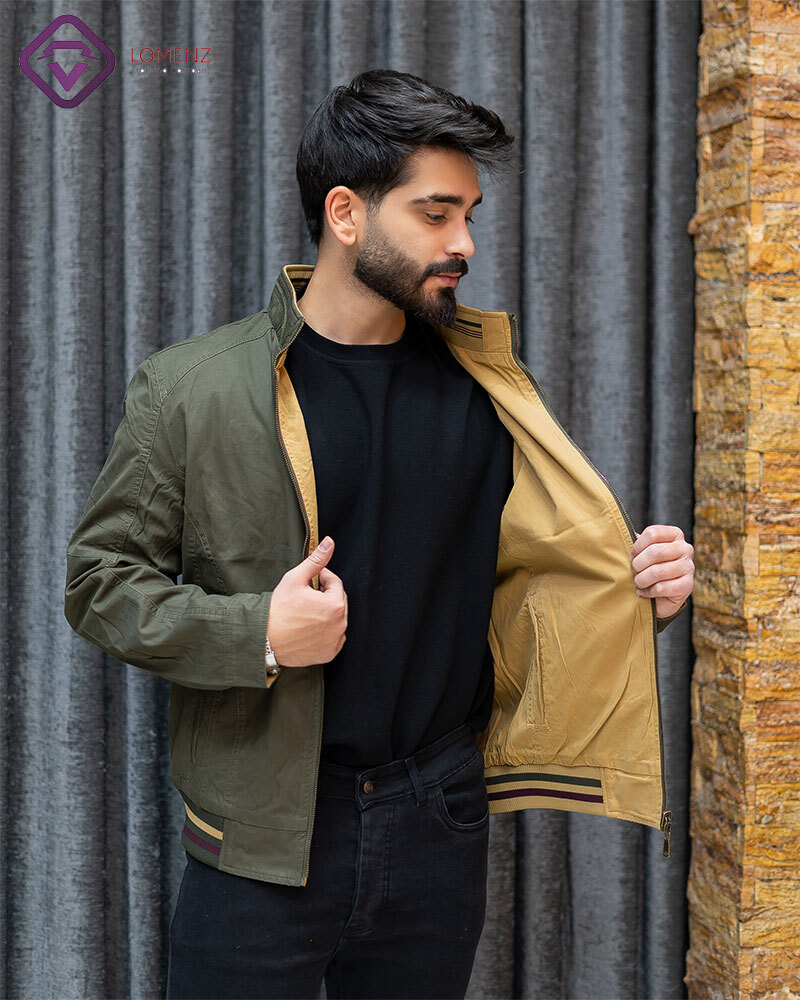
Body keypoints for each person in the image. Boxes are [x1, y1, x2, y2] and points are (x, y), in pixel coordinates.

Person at [64, 69, 694, 1000]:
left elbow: (530, 587)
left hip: (438, 819)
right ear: (346, 214)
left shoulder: (487, 389)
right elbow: (99, 582)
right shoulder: (194, 388)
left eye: (469, 215)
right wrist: (258, 633)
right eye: (436, 214)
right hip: (264, 834)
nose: (464, 243)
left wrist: (641, 588)